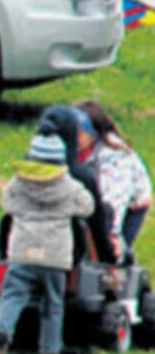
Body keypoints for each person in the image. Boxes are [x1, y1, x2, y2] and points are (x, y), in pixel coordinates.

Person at [0, 134, 94, 354]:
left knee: (12, 296)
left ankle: (3, 331)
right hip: (55, 255)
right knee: (53, 303)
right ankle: (50, 350)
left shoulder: (18, 183)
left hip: (22, 251)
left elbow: (7, 204)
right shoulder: (69, 185)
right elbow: (87, 206)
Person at [37, 104, 115, 261]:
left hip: (24, 252)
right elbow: (96, 224)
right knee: (106, 211)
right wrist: (109, 255)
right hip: (67, 257)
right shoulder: (80, 177)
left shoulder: (23, 177)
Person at [77, 99, 152, 259]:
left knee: (111, 253)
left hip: (130, 204)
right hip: (93, 197)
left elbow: (115, 200)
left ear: (93, 133)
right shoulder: (72, 148)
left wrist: (111, 236)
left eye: (79, 132)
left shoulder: (115, 156)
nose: (73, 137)